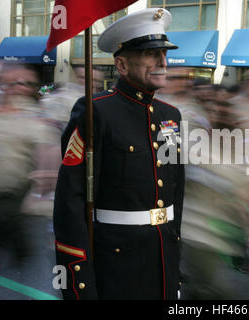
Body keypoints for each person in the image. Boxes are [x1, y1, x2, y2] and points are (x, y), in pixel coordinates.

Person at [53, 8, 184, 300]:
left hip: (162, 259)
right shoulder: (95, 111)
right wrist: (79, 287)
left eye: (164, 53)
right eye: (151, 54)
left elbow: (176, 194)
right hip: (117, 266)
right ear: (122, 65)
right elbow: (70, 205)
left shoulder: (171, 115)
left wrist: (175, 263)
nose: (163, 61)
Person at [0, 63, 52, 299]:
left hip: (22, 202)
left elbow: (48, 155)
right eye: (15, 82)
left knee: (27, 261)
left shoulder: (38, 116)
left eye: (28, 83)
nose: (21, 88)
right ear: (2, 84)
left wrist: (40, 192)